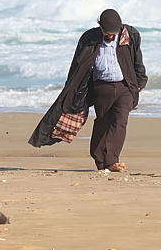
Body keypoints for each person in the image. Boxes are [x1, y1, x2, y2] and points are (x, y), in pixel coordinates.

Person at [28, 9, 147, 172]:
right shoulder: (89, 38)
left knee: (120, 119)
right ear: (100, 27)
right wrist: (72, 88)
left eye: (114, 33)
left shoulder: (130, 35)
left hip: (124, 86)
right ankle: (100, 159)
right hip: (101, 87)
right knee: (103, 121)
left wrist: (141, 80)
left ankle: (112, 159)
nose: (111, 37)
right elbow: (77, 65)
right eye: (108, 33)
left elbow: (137, 60)